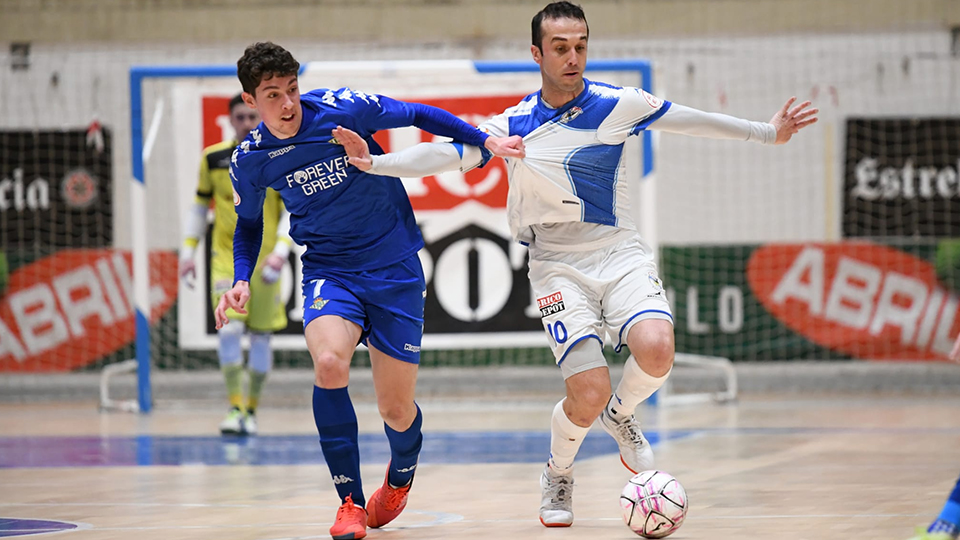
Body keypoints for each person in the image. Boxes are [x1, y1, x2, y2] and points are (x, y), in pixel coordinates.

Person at [331, 0, 818, 528]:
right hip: (555, 262)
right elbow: (449, 154)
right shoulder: (513, 123)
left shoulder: (619, 104)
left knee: (656, 351)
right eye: (560, 47)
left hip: (618, 249)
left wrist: (766, 132)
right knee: (587, 392)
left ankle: (623, 414)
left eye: (580, 45)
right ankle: (558, 472)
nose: (573, 57)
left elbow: (690, 121)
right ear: (537, 53)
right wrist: (377, 164)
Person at [214, 42, 524, 540]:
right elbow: (247, 226)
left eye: (292, 89)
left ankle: (400, 477)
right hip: (329, 271)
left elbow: (419, 113)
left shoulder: (342, 109)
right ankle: (350, 502)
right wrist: (241, 279)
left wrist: (483, 142)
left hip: (393, 267)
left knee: (395, 411)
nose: (288, 103)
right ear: (252, 101)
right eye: (273, 95)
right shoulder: (250, 160)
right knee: (330, 364)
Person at [179, 94, 291, 436]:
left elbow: (292, 209)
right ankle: (235, 408)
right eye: (240, 117)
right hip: (225, 262)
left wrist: (282, 251)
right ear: (230, 120)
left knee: (260, 338)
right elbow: (200, 207)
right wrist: (187, 251)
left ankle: (252, 410)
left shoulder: (278, 156)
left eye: (252, 117)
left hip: (266, 263)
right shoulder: (213, 159)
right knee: (228, 332)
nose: (246, 123)